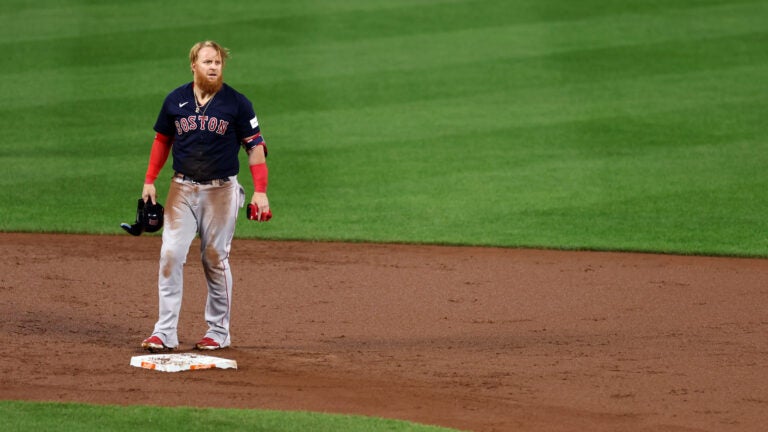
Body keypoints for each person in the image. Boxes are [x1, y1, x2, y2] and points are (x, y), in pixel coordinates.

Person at [140, 40, 271, 351]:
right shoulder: (175, 100)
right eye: (208, 62)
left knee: (214, 258)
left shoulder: (237, 103)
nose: (214, 67)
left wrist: (260, 192)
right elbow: (162, 140)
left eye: (218, 63)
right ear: (194, 65)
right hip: (181, 188)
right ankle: (165, 332)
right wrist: (149, 180)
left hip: (221, 191)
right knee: (170, 254)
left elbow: (255, 148)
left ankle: (218, 331)